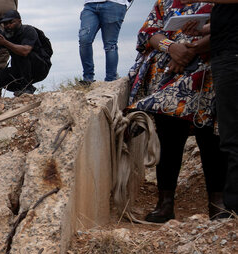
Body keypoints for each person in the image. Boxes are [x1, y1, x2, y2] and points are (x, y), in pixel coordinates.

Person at [127, 0, 224, 221]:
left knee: (210, 139)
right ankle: (165, 203)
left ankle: (217, 203)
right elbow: (149, 32)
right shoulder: (165, 2)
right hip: (169, 80)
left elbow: (227, 28)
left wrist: (190, 52)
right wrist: (173, 48)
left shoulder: (219, 3)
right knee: (169, 138)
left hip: (206, 78)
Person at [196, 0, 238, 217]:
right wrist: (201, 29)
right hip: (227, 55)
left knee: (232, 136)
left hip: (232, 57)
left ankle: (233, 208)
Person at [0, 10, 52, 96]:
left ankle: (27, 88)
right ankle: (22, 88)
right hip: (21, 70)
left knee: (22, 54)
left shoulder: (28, 30)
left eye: (11, 22)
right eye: (5, 24)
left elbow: (25, 51)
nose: (8, 26)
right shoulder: (5, 35)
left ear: (19, 21)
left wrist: (5, 43)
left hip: (40, 68)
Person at [79, 0, 132, 84]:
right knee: (84, 40)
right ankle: (87, 79)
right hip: (90, 5)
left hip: (115, 4)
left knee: (110, 45)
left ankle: (110, 80)